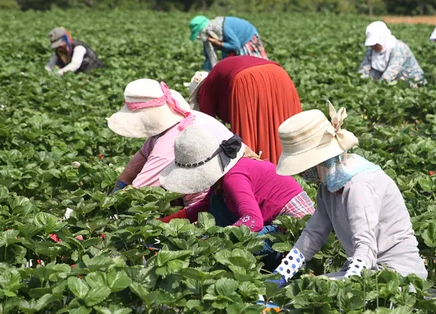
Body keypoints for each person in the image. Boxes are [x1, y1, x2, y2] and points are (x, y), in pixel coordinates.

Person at [268, 104, 428, 284]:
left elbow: (366, 245)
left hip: (398, 275)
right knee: (305, 289)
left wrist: (348, 285)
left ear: (320, 161)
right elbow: (314, 234)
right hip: (367, 268)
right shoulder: (328, 185)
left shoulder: (358, 185)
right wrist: (282, 273)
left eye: (304, 168)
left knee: (314, 292)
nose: (302, 174)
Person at [107, 79, 258, 205]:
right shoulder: (179, 118)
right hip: (235, 174)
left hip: (232, 187)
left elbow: (141, 190)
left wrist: (110, 205)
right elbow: (140, 158)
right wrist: (120, 184)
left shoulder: (170, 141)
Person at [158, 121, 314, 239]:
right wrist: (163, 223)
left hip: (297, 226)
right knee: (216, 202)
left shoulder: (233, 178)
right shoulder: (224, 175)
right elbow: (204, 205)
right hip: (275, 219)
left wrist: (215, 239)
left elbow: (253, 221)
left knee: (241, 247)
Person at [188, 56, 302, 165]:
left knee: (254, 129)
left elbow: (207, 124)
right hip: (278, 74)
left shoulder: (205, 89)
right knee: (280, 119)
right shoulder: (220, 78)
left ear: (199, 92)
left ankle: (262, 167)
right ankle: (294, 163)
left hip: (247, 79)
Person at [189, 15, 267, 71]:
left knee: (249, 66)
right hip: (235, 42)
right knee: (227, 65)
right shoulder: (210, 34)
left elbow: (235, 46)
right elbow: (208, 57)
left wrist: (219, 44)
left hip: (247, 37)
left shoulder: (224, 28)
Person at [358, 21, 425, 85]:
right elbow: (364, 69)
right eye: (371, 44)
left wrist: (376, 89)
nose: (372, 47)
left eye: (375, 44)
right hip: (391, 83)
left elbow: (390, 73)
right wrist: (361, 83)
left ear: (382, 40)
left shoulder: (398, 48)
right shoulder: (370, 51)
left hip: (410, 81)